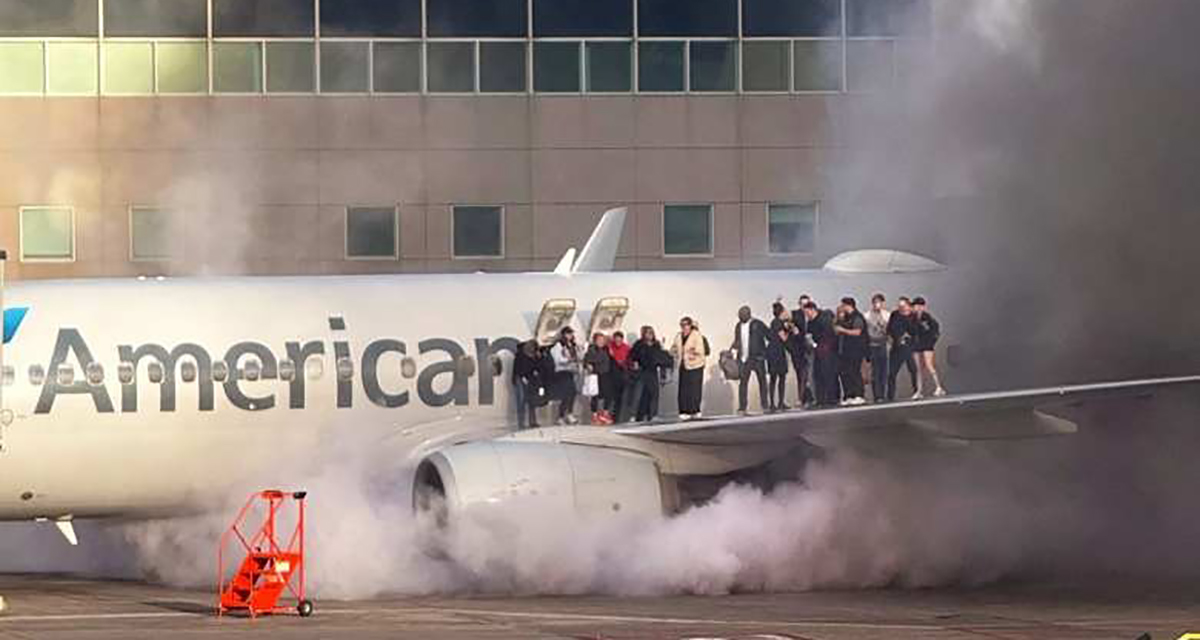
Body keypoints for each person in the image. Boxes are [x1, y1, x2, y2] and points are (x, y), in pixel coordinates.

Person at [731, 305, 771, 415]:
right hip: (744, 359)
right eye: (739, 316)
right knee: (743, 383)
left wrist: (764, 353)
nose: (740, 317)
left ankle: (765, 405)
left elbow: (769, 336)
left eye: (742, 315)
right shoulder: (738, 326)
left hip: (758, 358)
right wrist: (732, 350)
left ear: (748, 315)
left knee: (762, 382)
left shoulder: (758, 324)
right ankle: (742, 407)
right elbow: (737, 340)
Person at [670, 317, 710, 420]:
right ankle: (683, 410)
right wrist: (674, 353)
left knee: (695, 389)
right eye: (682, 325)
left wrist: (692, 353)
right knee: (683, 389)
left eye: (686, 324)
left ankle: (694, 410)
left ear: (690, 325)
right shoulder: (678, 336)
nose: (684, 327)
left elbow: (701, 350)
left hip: (695, 365)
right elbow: (674, 347)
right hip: (683, 365)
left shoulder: (697, 335)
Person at [629, 326, 670, 422]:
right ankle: (634, 415)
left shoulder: (656, 344)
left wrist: (663, 375)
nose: (649, 334)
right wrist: (635, 364)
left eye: (651, 332)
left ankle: (653, 415)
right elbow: (632, 356)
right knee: (638, 394)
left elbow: (661, 359)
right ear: (644, 334)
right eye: (647, 332)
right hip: (642, 371)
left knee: (654, 394)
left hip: (652, 371)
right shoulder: (639, 344)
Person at [803, 301, 840, 407]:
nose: (807, 315)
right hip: (817, 352)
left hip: (828, 352)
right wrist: (810, 342)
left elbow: (830, 336)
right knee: (817, 375)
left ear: (813, 310)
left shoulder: (824, 319)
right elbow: (809, 335)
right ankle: (821, 399)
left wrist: (822, 347)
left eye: (807, 312)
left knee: (829, 375)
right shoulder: (810, 323)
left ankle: (832, 399)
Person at [834, 297, 868, 406]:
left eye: (843, 305)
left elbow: (857, 332)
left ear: (849, 305)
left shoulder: (857, 317)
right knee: (846, 373)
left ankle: (859, 395)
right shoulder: (845, 318)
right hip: (845, 351)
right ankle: (849, 395)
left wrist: (843, 330)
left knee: (855, 372)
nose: (842, 307)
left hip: (855, 350)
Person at [911, 297, 947, 398]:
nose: (917, 308)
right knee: (918, 368)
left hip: (927, 344)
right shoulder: (911, 318)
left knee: (929, 365)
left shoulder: (928, 318)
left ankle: (938, 387)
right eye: (915, 306)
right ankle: (919, 390)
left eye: (919, 306)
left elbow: (935, 330)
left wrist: (931, 341)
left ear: (923, 307)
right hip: (916, 345)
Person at [886, 296, 919, 401]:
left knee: (913, 369)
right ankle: (890, 396)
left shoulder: (912, 316)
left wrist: (908, 335)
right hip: (896, 346)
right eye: (899, 306)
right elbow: (890, 328)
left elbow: (914, 330)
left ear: (908, 306)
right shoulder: (895, 314)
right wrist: (893, 338)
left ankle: (917, 391)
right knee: (892, 373)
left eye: (903, 306)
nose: (901, 308)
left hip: (908, 346)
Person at [511, 339, 549, 429]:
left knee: (531, 400)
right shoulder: (520, 355)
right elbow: (518, 369)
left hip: (530, 379)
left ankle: (532, 421)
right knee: (522, 401)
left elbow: (538, 367)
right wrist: (523, 378)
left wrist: (540, 358)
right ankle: (521, 423)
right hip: (520, 378)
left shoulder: (534, 356)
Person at [549, 327, 582, 424]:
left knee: (572, 393)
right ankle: (561, 416)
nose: (570, 336)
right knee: (566, 394)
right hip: (562, 372)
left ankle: (569, 413)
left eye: (571, 334)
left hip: (571, 371)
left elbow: (577, 356)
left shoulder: (572, 345)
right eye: (568, 334)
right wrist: (568, 360)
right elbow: (557, 359)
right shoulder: (558, 346)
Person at [583, 332, 615, 424]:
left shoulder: (606, 349)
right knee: (595, 395)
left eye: (602, 340)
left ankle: (605, 413)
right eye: (599, 340)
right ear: (595, 341)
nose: (601, 342)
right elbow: (587, 361)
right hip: (596, 375)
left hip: (606, 374)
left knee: (608, 394)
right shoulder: (592, 350)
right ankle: (595, 415)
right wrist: (589, 365)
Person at [864, 293, 891, 403]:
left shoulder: (887, 315)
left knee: (883, 371)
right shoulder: (867, 316)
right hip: (872, 345)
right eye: (875, 302)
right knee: (875, 371)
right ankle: (877, 395)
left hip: (883, 344)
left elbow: (889, 331)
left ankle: (883, 394)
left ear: (883, 303)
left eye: (879, 302)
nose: (877, 305)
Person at [766, 304, 792, 412]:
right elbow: (783, 338)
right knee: (779, 377)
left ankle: (774, 403)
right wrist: (789, 330)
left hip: (773, 351)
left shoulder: (774, 322)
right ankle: (777, 403)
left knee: (774, 378)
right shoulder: (778, 323)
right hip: (777, 352)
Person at [789, 295, 814, 407]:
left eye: (806, 304)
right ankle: (802, 398)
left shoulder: (813, 314)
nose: (804, 307)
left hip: (812, 348)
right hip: (799, 350)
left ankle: (811, 397)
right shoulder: (795, 315)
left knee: (811, 374)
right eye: (802, 305)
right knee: (801, 374)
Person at [607, 330, 632, 422]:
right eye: (616, 340)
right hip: (612, 374)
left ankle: (616, 417)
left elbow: (629, 359)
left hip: (622, 373)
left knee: (619, 397)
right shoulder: (610, 347)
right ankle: (608, 415)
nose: (618, 342)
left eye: (619, 340)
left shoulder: (626, 347)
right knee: (611, 396)